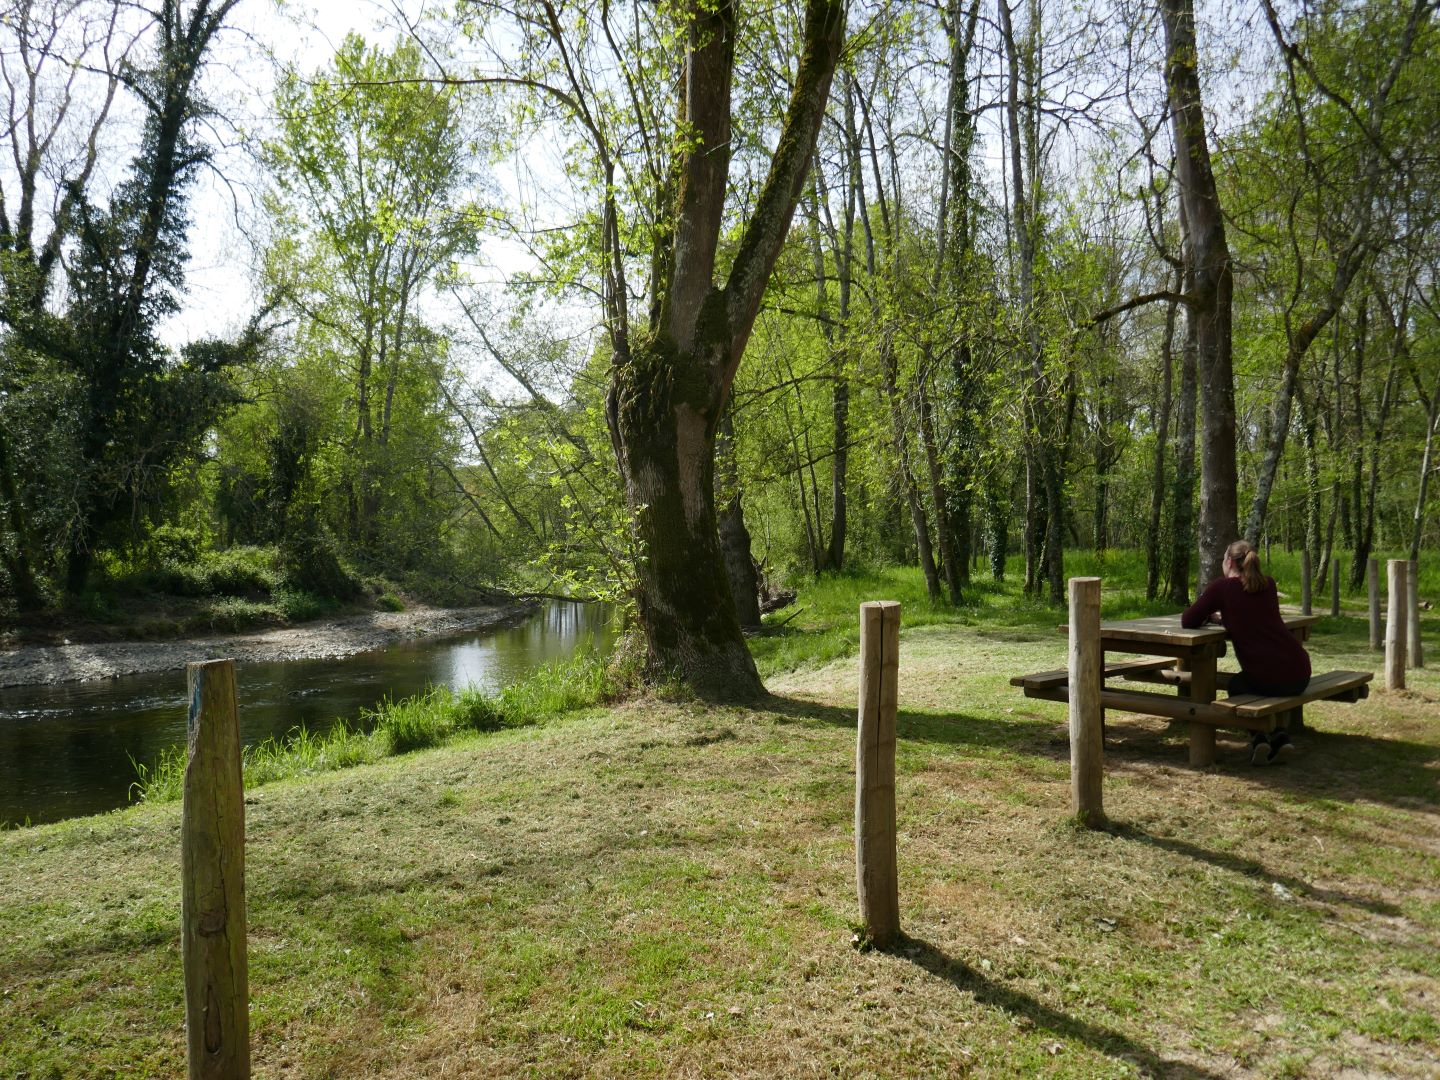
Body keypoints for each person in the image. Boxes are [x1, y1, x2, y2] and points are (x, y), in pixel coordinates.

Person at [1181, 539, 1311, 765]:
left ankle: (1259, 738)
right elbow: (1255, 615)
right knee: (1256, 683)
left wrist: (1211, 616)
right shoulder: (1268, 584)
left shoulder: (1222, 588)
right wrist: (1225, 618)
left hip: (1268, 677)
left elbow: (1188, 620)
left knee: (1237, 685)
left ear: (1229, 561)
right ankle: (1280, 738)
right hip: (1299, 673)